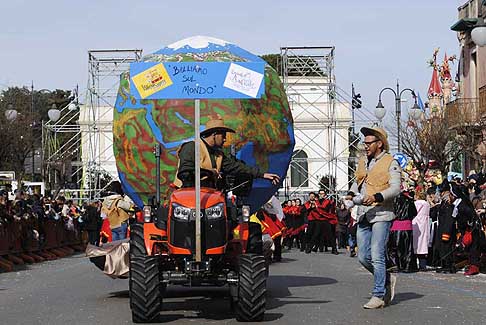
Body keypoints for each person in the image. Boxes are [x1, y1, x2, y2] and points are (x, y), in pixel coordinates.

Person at [348, 126, 401, 309]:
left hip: (382, 214)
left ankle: (378, 294)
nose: (365, 146)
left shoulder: (390, 162)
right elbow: (358, 182)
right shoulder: (363, 161)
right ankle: (386, 278)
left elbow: (396, 188)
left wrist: (377, 196)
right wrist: (350, 194)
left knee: (377, 254)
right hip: (364, 214)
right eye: (364, 142)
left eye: (369, 142)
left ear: (379, 144)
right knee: (363, 257)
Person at [174, 115, 280, 189]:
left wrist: (262, 175)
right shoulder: (191, 147)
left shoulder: (218, 154)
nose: (225, 139)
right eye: (223, 136)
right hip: (187, 196)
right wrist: (211, 173)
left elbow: (236, 167)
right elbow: (185, 173)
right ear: (214, 134)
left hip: (210, 196)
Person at [412, 190, 431, 271]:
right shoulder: (427, 204)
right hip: (425, 224)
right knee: (423, 244)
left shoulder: (416, 204)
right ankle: (423, 265)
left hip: (416, 223)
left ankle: (414, 264)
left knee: (415, 243)